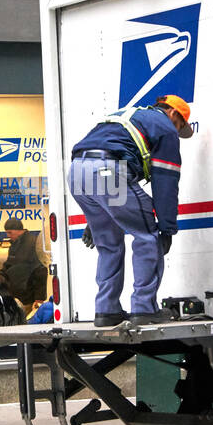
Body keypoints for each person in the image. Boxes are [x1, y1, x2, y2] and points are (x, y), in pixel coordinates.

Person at [68, 94, 193, 326]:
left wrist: (94, 219)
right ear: (174, 114)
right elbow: (165, 182)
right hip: (108, 171)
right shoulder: (165, 127)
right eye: (180, 126)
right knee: (147, 237)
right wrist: (166, 229)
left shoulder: (125, 116)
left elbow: (99, 159)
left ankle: (106, 310)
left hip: (77, 172)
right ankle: (144, 309)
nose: (177, 132)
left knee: (109, 245)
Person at [0, 216, 47, 308]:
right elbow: (9, 264)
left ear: (19, 230)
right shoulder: (14, 244)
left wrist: (39, 298)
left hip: (28, 297)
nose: (8, 236)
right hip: (16, 296)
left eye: (10, 232)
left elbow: (40, 271)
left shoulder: (33, 244)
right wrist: (0, 276)